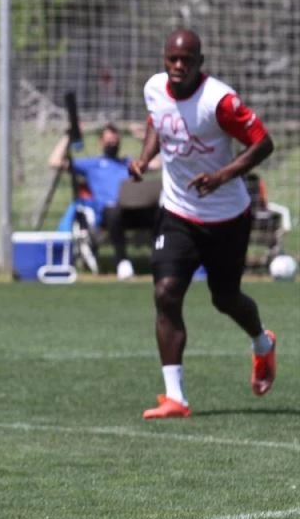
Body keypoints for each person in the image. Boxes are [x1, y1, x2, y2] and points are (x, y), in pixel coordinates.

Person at [128, 28, 277, 420]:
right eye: (172, 59)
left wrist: (222, 176)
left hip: (227, 216)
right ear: (164, 58)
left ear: (200, 63)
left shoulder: (219, 101)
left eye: (187, 60)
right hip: (177, 212)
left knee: (225, 298)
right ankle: (175, 397)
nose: (179, 66)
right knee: (166, 292)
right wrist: (144, 159)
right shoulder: (154, 88)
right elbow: (157, 121)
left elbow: (263, 143)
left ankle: (262, 343)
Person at [49, 123, 161, 279]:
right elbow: (54, 162)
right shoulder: (93, 164)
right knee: (113, 210)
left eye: (115, 141)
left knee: (161, 212)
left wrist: (144, 138)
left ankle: (162, 260)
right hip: (108, 217)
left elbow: (159, 163)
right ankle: (122, 262)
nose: (112, 144)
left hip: (133, 212)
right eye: (108, 141)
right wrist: (69, 136)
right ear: (101, 142)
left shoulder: (128, 163)